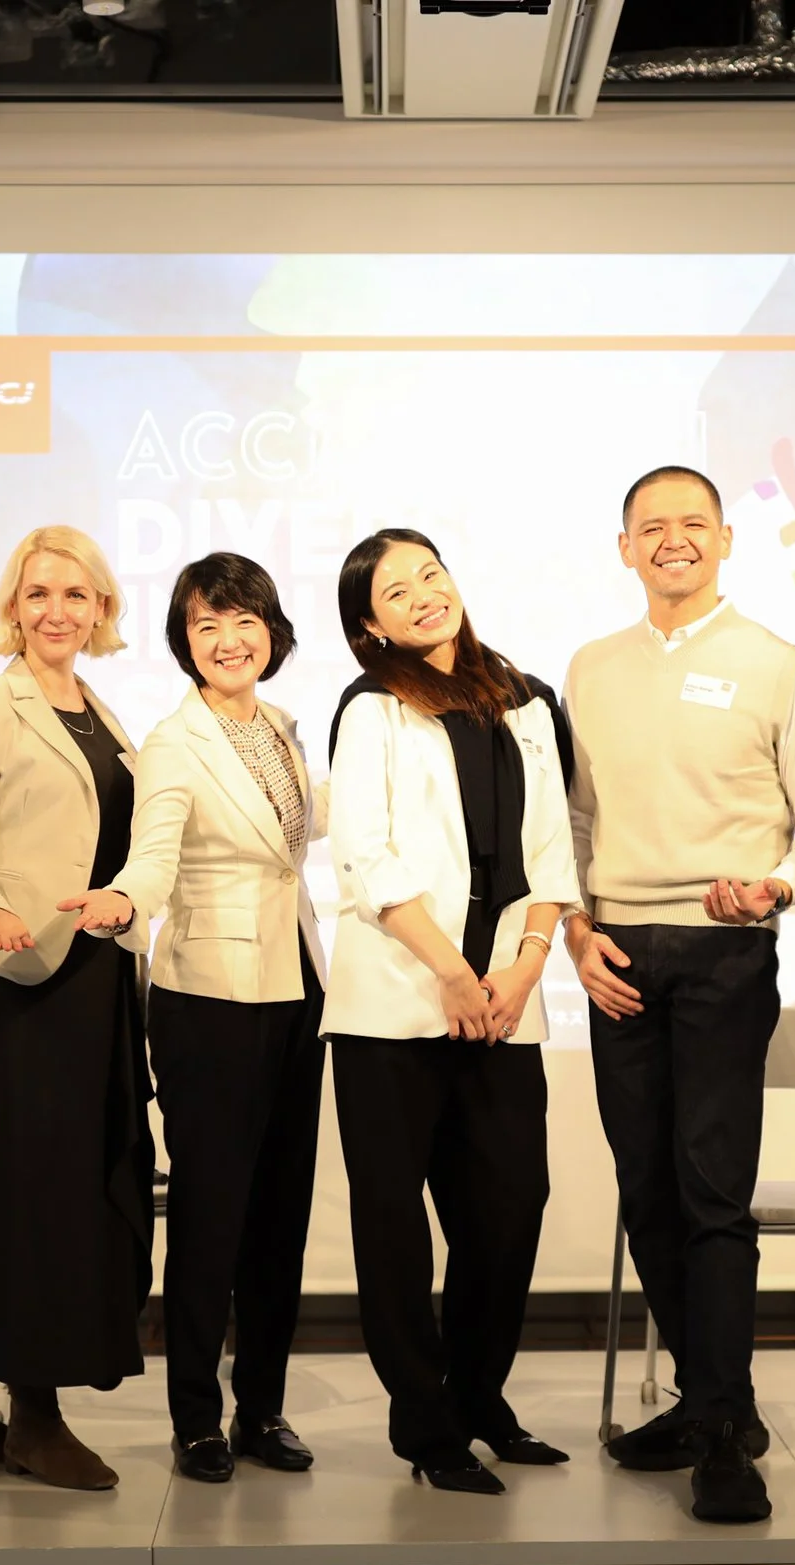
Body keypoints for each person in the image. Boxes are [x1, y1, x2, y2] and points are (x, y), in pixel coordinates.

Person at [565, 465, 795, 1525]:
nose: (672, 540)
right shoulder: (589, 668)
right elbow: (573, 821)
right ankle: (711, 1399)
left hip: (725, 951)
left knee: (711, 1193)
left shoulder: (779, 666)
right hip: (616, 953)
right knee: (645, 1190)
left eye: (692, 524)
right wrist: (576, 930)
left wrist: (776, 887)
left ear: (724, 539)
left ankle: (720, 1432)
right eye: (651, 526)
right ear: (624, 547)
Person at [58, 553, 328, 1485]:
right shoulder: (174, 743)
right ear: (184, 641)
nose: (228, 639)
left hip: (298, 986)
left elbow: (302, 840)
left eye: (244, 619)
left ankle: (263, 1408)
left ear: (272, 631)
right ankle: (196, 1419)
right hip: (209, 998)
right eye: (206, 624)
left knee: (281, 1214)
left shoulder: (283, 726)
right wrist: (122, 900)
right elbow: (156, 852)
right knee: (213, 1217)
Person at [321, 529, 580, 1495]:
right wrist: (453, 972)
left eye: (431, 573)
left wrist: (522, 969)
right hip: (396, 1008)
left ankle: (479, 1398)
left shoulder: (524, 698)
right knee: (395, 1227)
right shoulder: (372, 708)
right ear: (370, 626)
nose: (425, 594)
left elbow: (550, 851)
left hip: (504, 1001)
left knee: (510, 1208)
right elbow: (366, 857)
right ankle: (426, 1426)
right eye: (397, 590)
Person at [0, 525, 154, 1493]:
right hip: (15, 984)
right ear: (13, 606)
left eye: (77, 594)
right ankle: (31, 1416)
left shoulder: (107, 716)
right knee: (17, 1198)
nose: (57, 610)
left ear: (102, 609)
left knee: (61, 1191)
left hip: (94, 984)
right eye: (39, 592)